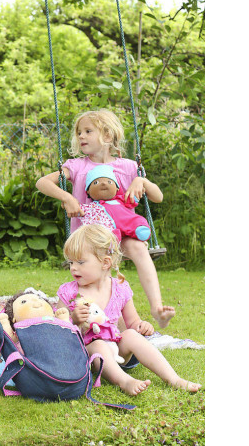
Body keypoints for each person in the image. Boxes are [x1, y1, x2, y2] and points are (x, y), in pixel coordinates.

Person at [36, 108, 175, 328]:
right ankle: (111, 324)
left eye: (88, 131)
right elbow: (42, 182)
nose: (81, 136)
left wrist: (141, 181)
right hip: (91, 240)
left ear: (108, 135)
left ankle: (157, 308)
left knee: (138, 248)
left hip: (123, 233)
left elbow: (158, 197)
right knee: (101, 279)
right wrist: (67, 198)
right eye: (79, 132)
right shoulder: (77, 166)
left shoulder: (128, 167)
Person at [57, 224, 201, 396]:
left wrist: (141, 326)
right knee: (99, 345)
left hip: (118, 352)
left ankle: (173, 378)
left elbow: (133, 323)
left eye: (80, 262)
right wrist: (74, 320)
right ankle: (124, 381)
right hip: (87, 355)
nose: (73, 267)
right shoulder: (69, 292)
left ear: (105, 263)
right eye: (71, 262)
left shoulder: (120, 288)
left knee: (131, 335)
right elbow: (56, 331)